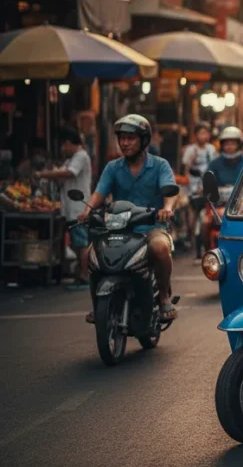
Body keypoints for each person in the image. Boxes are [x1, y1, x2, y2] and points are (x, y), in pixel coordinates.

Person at [77, 115, 178, 322]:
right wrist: (87, 212)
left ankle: (164, 296)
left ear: (143, 140)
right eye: (121, 138)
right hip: (118, 228)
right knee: (91, 255)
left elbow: (170, 192)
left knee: (160, 248)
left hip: (152, 226)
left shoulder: (160, 165)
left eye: (130, 138)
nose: (124, 143)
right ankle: (98, 306)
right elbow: (99, 193)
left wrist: (167, 208)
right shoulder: (113, 167)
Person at [36, 127, 93, 290]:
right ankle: (79, 274)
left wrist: (42, 174)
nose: (62, 149)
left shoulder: (81, 156)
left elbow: (68, 173)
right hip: (70, 207)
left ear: (68, 143)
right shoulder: (72, 158)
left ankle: (84, 276)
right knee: (77, 243)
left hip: (78, 208)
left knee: (81, 243)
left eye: (63, 145)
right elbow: (62, 175)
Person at [206, 126, 243, 193]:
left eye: (233, 144)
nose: (229, 147)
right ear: (222, 145)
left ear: (239, 145)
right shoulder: (214, 164)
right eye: (226, 144)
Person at [182, 122, 217, 195]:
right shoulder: (190, 149)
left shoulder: (211, 148)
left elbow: (215, 165)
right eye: (201, 133)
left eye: (205, 133)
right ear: (196, 135)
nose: (203, 136)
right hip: (193, 180)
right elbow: (186, 168)